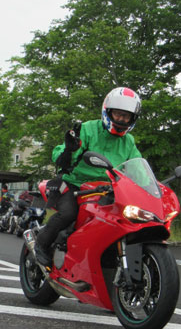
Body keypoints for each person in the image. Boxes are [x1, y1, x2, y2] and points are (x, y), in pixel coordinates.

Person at [34, 86, 143, 270]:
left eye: (126, 116)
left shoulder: (128, 141)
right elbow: (59, 154)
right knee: (68, 213)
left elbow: (138, 167)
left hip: (107, 189)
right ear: (108, 111)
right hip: (74, 183)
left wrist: (149, 187)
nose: (122, 119)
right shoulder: (88, 129)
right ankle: (41, 244)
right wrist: (70, 149)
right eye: (118, 114)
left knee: (118, 221)